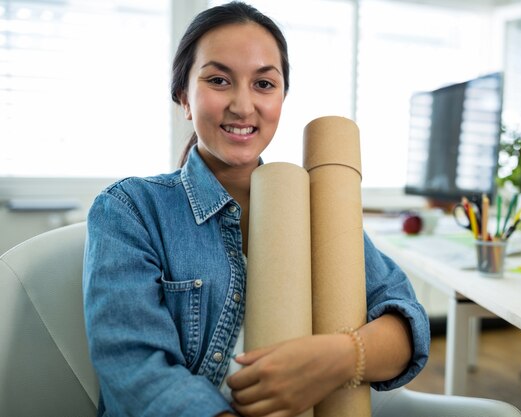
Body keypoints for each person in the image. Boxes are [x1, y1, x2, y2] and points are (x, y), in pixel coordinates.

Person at [83, 2, 430, 417]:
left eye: (264, 84)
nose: (243, 106)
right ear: (184, 99)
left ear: (282, 97)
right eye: (218, 80)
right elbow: (136, 371)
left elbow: (407, 324)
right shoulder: (131, 209)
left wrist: (338, 357)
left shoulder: (315, 210)